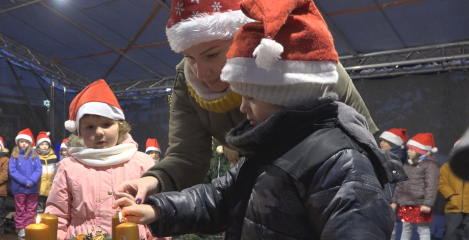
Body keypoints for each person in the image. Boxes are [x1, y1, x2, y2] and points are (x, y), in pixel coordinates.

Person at [118, 1, 401, 240]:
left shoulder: (339, 157)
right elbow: (222, 195)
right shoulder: (266, 144)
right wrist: (159, 207)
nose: (241, 107)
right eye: (190, 60)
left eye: (251, 95)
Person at [116, 0, 378, 203]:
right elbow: (187, 155)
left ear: (246, 36)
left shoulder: (304, 61)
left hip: (325, 196)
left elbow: (363, 139)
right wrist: (154, 181)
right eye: (190, 58)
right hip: (258, 197)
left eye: (211, 55)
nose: (200, 72)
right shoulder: (187, 82)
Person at [46, 80, 171, 240]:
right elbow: (56, 215)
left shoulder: (142, 163)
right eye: (89, 127)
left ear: (119, 126)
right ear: (80, 131)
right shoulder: (69, 166)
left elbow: (157, 212)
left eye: (106, 124)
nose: (98, 132)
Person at [393, 133, 440, 240]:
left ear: (419, 151)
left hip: (420, 204)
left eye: (411, 149)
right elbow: (400, 183)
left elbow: (431, 186)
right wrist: (395, 200)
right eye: (408, 149)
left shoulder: (429, 165)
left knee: (423, 230)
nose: (408, 151)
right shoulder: (407, 165)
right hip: (406, 203)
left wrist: (427, 203)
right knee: (406, 228)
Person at [438, 141, 469, 240]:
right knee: (450, 234)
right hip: (453, 207)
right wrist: (451, 196)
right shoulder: (447, 167)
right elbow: (442, 183)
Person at [379, 128, 409, 240]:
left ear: (393, 143)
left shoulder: (397, 157)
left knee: (389, 221)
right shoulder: (383, 154)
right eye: (381, 140)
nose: (381, 143)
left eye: (385, 141)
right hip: (382, 191)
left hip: (390, 194)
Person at [9, 129, 41, 238]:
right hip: (19, 188)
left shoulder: (34, 155)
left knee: (31, 208)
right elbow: (12, 171)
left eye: (26, 142)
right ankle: (21, 228)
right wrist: (24, 181)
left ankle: (29, 226)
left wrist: (31, 181)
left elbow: (38, 169)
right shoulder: (14, 156)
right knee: (20, 208)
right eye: (21, 141)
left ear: (30, 143)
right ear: (18, 143)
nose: (23, 144)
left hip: (33, 188)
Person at [35, 131, 57, 213]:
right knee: (39, 209)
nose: (44, 146)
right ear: (38, 146)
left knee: (50, 209)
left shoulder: (54, 156)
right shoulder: (36, 157)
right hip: (40, 187)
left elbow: (56, 170)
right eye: (42, 144)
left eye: (46, 144)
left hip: (51, 187)